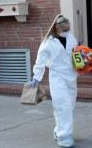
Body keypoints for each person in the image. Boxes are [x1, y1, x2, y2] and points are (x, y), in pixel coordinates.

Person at [30, 14, 78, 148]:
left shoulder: (71, 38)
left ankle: (59, 130)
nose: (66, 32)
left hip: (71, 76)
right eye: (64, 29)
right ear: (57, 28)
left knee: (70, 104)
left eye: (68, 29)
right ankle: (64, 136)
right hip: (57, 76)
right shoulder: (48, 42)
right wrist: (36, 77)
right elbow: (40, 61)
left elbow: (76, 54)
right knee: (63, 105)